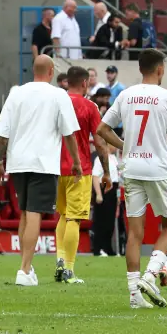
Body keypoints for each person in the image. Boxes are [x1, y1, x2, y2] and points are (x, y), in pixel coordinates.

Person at [97, 49, 167, 309]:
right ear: (160, 70)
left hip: (131, 168)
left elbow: (102, 129)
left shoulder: (125, 94)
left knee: (135, 233)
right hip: (157, 168)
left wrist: (126, 145)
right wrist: (164, 160)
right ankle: (150, 275)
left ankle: (134, 294)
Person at [0, 55, 79, 287]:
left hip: (17, 161)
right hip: (43, 162)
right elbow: (69, 133)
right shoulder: (58, 95)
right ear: (51, 71)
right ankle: (24, 269)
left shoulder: (16, 92)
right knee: (34, 214)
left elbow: (3, 133)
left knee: (24, 212)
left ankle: (26, 267)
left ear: (34, 70)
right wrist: (77, 161)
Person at [52, 67, 104, 284]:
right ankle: (70, 270)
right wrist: (107, 171)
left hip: (54, 168)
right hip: (79, 169)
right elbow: (99, 141)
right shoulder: (89, 107)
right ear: (84, 83)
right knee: (74, 218)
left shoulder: (55, 103)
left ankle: (60, 261)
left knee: (63, 215)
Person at [91, 142, 120, 256]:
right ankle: (99, 248)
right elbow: (95, 176)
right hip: (104, 189)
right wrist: (98, 194)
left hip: (113, 189)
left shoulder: (114, 159)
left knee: (110, 222)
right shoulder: (100, 158)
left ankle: (108, 248)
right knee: (101, 221)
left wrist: (117, 196)